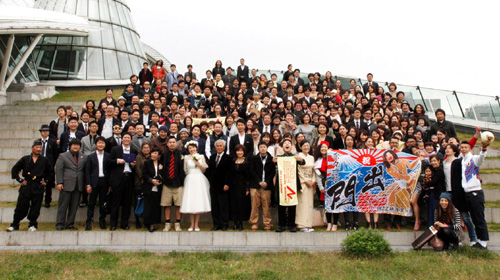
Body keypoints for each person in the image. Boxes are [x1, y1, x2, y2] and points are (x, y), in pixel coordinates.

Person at [7, 140, 54, 232]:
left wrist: (46, 181)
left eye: (40, 148)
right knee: (21, 205)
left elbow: (51, 172)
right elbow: (15, 169)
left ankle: (33, 224)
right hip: (27, 185)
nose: (38, 149)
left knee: (36, 206)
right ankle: (15, 224)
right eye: (36, 147)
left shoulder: (44, 160)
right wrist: (20, 179)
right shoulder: (25, 159)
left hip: (38, 185)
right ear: (32, 148)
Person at [451, 140, 489, 249]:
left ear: (470, 149)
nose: (463, 149)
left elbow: (481, 159)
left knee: (479, 218)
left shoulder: (473, 159)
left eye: (465, 147)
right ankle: (479, 240)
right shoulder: (461, 161)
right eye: (461, 147)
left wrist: (484, 149)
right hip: (467, 193)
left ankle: (483, 241)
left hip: (475, 192)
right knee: (474, 218)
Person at [55, 139, 87, 230]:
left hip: (78, 185)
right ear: (70, 146)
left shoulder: (84, 157)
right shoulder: (63, 156)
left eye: (77, 145)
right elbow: (58, 170)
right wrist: (59, 182)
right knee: (63, 206)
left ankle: (70, 224)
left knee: (74, 206)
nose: (76, 147)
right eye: (74, 145)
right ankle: (60, 224)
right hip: (66, 184)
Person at [107, 132, 137, 230]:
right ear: (122, 139)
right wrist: (117, 161)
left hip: (129, 178)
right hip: (118, 179)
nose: (127, 139)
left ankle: (125, 224)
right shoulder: (115, 149)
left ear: (131, 140)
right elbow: (108, 162)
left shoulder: (133, 150)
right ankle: (113, 224)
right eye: (125, 137)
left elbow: (136, 165)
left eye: (129, 138)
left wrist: (133, 165)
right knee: (115, 202)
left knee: (127, 203)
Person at [275, 139, 305, 233]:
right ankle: (281, 225)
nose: (287, 145)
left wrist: (301, 159)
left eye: (289, 143)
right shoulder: (279, 157)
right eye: (285, 143)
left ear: (292, 146)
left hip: (292, 184)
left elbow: (303, 163)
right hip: (282, 184)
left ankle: (292, 225)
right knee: (281, 206)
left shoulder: (295, 157)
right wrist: (273, 161)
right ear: (282, 147)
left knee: (292, 205)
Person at [180, 140, 211, 231]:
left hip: (199, 179)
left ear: (196, 148)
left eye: (193, 148)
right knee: (190, 200)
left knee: (198, 201)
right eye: (190, 148)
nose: (192, 149)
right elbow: (185, 169)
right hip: (190, 179)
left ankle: (196, 224)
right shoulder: (186, 157)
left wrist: (199, 164)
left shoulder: (201, 156)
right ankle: (191, 224)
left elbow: (204, 170)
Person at [249, 142, 275, 231]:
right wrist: (259, 181)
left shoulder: (271, 159)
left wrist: (266, 182)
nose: (263, 149)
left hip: (267, 185)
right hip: (255, 185)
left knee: (266, 205)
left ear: (267, 148)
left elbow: (273, 172)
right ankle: (254, 222)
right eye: (261, 147)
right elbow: (252, 171)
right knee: (254, 205)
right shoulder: (254, 158)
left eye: (264, 147)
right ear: (258, 149)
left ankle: (267, 223)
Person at [84, 136, 109, 230]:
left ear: (105, 145)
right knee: (91, 203)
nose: (101, 144)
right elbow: (87, 172)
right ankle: (89, 221)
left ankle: (102, 221)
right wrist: (88, 184)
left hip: (104, 182)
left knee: (103, 203)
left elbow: (109, 171)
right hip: (94, 182)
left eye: (102, 143)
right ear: (96, 144)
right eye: (99, 143)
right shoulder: (90, 157)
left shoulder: (108, 155)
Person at [207, 139, 232, 231]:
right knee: (215, 206)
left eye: (221, 146)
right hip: (214, 185)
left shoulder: (228, 158)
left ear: (224, 147)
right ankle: (216, 224)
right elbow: (210, 171)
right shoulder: (212, 157)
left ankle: (224, 224)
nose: (219, 147)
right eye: (217, 146)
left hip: (223, 186)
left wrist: (227, 184)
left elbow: (229, 172)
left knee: (223, 206)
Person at [161, 136, 184, 232]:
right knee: (167, 204)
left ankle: (177, 223)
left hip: (178, 183)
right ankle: (167, 223)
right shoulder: (164, 154)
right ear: (167, 144)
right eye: (170, 142)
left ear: (176, 143)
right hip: (167, 183)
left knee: (179, 204)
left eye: (173, 142)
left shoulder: (181, 154)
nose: (172, 144)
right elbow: (162, 168)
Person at [295, 141, 316, 232]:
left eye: (308, 146)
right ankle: (301, 223)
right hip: (303, 182)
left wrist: (313, 181)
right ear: (300, 147)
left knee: (309, 203)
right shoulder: (298, 156)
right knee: (302, 203)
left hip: (311, 182)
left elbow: (314, 170)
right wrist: (305, 180)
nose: (306, 147)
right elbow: (298, 170)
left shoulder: (312, 157)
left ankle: (309, 223)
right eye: (304, 146)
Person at [141, 147, 163, 232]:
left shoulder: (161, 164)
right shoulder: (147, 163)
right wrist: (151, 180)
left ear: (159, 156)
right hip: (149, 187)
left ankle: (154, 223)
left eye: (155, 153)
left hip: (158, 187)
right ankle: (148, 224)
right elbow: (144, 174)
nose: (153, 155)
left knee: (155, 206)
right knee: (148, 206)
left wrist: (160, 181)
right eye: (152, 153)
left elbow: (163, 174)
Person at [229, 144, 250, 230]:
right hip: (233, 186)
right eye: (238, 151)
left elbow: (248, 176)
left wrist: (247, 188)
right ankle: (235, 223)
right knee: (234, 204)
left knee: (241, 205)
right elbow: (230, 174)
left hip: (243, 186)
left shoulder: (247, 162)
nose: (239, 152)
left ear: (244, 152)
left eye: (241, 151)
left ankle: (240, 223)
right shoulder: (233, 161)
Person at [37, 124, 59, 208]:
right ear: (41, 132)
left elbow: (55, 154)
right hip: (39, 165)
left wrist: (52, 164)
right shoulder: (38, 141)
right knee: (38, 183)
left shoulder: (52, 142)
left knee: (48, 184)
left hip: (49, 165)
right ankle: (38, 200)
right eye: (43, 131)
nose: (45, 133)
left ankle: (47, 201)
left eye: (46, 131)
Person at [133, 142, 151, 229]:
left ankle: (146, 221)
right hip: (139, 183)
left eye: (148, 148)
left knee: (147, 203)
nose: (146, 149)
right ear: (142, 149)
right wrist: (142, 178)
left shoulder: (152, 157)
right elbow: (137, 169)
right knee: (138, 202)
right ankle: (137, 221)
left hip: (149, 184)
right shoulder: (138, 157)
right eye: (144, 148)